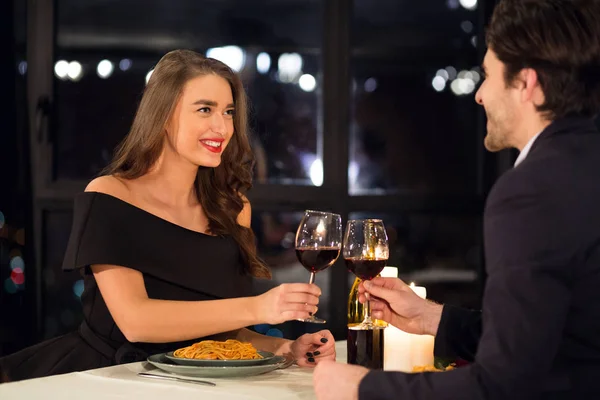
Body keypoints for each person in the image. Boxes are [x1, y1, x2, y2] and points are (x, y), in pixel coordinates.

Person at [313, 0, 600, 398]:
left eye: (488, 75)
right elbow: (554, 340)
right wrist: (434, 318)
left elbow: (502, 385)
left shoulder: (532, 190)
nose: (480, 95)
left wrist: (363, 388)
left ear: (526, 83)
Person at [0, 49, 335, 383]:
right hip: (106, 376)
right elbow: (135, 321)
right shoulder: (109, 195)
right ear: (162, 114)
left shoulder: (234, 208)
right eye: (205, 109)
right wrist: (261, 307)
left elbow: (224, 335)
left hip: (196, 383)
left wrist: (288, 347)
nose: (221, 126)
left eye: (229, 112)